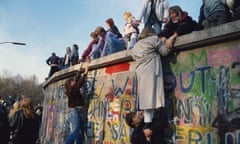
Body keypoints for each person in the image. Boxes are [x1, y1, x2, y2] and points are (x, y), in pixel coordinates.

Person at [131, 26, 173, 142]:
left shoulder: (136, 46)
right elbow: (164, 52)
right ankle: (149, 128)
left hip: (141, 73)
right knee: (154, 100)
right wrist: (168, 41)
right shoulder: (154, 39)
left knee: (146, 102)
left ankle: (148, 127)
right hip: (151, 73)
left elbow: (133, 56)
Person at [64, 63, 88, 144]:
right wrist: (85, 73)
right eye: (73, 81)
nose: (74, 81)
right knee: (76, 131)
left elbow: (76, 78)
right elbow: (79, 83)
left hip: (77, 111)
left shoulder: (72, 89)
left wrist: (79, 69)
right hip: (74, 111)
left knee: (80, 132)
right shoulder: (72, 90)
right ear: (70, 83)